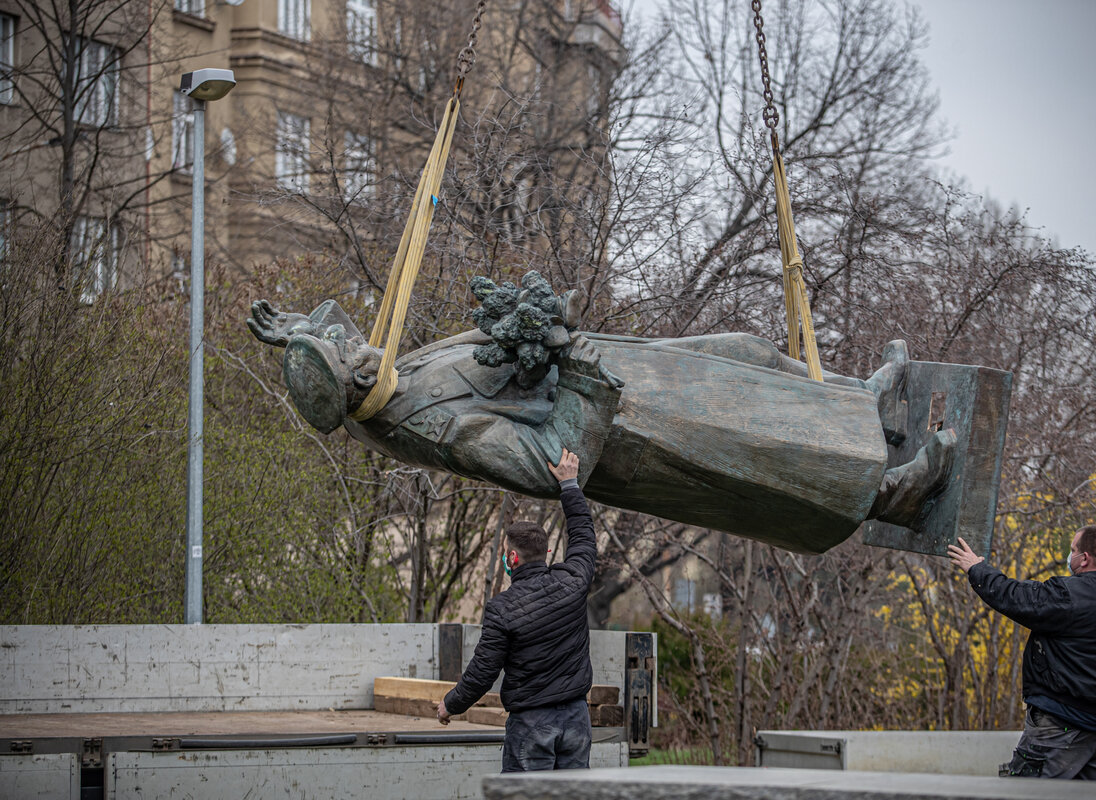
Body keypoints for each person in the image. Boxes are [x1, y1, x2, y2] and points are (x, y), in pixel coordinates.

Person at [248, 297, 956, 554]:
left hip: (616, 370)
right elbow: (550, 465)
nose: (351, 332)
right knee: (768, 461)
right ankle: (892, 492)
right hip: (626, 428)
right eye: (343, 347)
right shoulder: (436, 427)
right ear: (357, 380)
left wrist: (299, 337)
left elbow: (338, 353)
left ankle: (856, 399)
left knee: (746, 353)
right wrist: (582, 380)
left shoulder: (383, 384)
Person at [435, 448, 595, 772]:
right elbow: (583, 536)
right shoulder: (573, 581)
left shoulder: (502, 609)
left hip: (532, 723)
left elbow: (482, 673)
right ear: (547, 552)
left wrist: (450, 705)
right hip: (578, 719)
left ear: (511, 559)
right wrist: (570, 485)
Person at [947, 526, 1096, 781]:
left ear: (1084, 558)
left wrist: (976, 569)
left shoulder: (1070, 595)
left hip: (1063, 724)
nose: (1068, 556)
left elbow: (1017, 598)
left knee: (1024, 793)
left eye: (1072, 550)